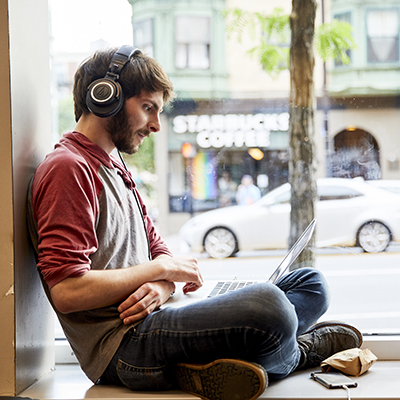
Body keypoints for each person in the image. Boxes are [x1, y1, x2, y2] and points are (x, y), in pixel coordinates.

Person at [27, 46, 362, 400]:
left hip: (158, 316)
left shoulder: (116, 166)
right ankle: (298, 354)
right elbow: (67, 290)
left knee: (311, 283)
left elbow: (160, 253)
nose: (156, 125)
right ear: (105, 97)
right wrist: (158, 270)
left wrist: (162, 288)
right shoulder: (69, 168)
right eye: (147, 108)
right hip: (123, 346)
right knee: (270, 307)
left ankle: (231, 362)